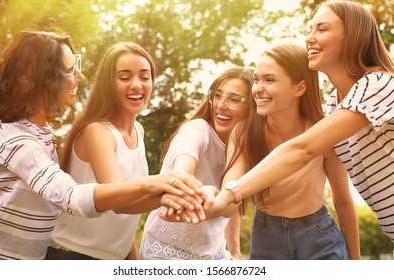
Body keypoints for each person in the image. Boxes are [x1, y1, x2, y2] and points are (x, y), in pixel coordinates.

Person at [0, 31, 203, 260]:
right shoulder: (16, 140)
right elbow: (71, 196)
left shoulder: (42, 133)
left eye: (76, 65)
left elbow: (118, 214)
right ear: (39, 78)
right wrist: (156, 184)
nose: (80, 76)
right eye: (69, 70)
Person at [204, 0, 394, 245]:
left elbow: (302, 150)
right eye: (310, 30)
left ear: (352, 35)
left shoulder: (377, 84)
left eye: (322, 29)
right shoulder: (337, 104)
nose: (310, 38)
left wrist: (231, 193)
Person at [225, 43, 359, 259]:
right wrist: (233, 250)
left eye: (269, 80)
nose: (258, 89)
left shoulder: (322, 133)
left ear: (299, 88)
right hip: (266, 238)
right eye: (256, 80)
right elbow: (230, 195)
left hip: (319, 237)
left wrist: (356, 261)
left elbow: (342, 199)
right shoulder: (244, 133)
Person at [139, 66, 254, 260]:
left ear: (252, 107)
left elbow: (233, 196)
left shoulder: (244, 149)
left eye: (234, 99)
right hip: (166, 249)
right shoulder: (197, 129)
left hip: (212, 253)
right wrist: (183, 182)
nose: (221, 105)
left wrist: (234, 251)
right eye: (217, 95)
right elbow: (184, 168)